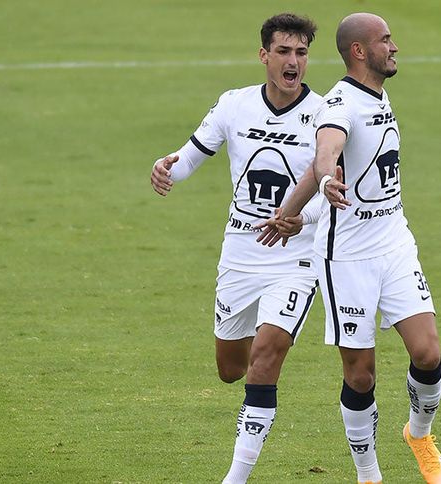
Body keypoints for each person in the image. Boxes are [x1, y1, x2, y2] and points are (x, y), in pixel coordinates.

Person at [258, 12, 441, 484]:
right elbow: (325, 152)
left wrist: (291, 211)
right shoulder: (340, 104)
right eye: (386, 40)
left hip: (395, 244)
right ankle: (369, 475)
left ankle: (419, 435)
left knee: (427, 353)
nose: (394, 47)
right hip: (346, 259)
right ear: (360, 51)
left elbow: (326, 167)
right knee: (361, 375)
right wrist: (326, 180)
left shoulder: (379, 94)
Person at [149, 13, 323, 483]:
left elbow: (334, 192)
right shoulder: (234, 105)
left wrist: (301, 219)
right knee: (231, 369)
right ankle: (259, 375)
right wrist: (166, 167)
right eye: (283, 51)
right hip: (241, 256)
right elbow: (188, 158)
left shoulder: (325, 117)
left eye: (301, 52)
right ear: (264, 55)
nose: (293, 61)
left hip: (295, 258)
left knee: (267, 355)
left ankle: (235, 477)